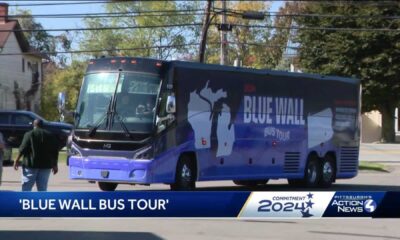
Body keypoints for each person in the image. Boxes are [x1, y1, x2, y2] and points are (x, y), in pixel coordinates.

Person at [13, 119, 59, 191]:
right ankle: (41, 202)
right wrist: (55, 165)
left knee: (26, 188)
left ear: (34, 125)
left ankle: (26, 201)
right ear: (42, 125)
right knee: (42, 189)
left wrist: (16, 160)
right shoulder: (50, 135)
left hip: (30, 165)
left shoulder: (29, 134)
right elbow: (54, 151)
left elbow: (22, 148)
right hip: (46, 166)